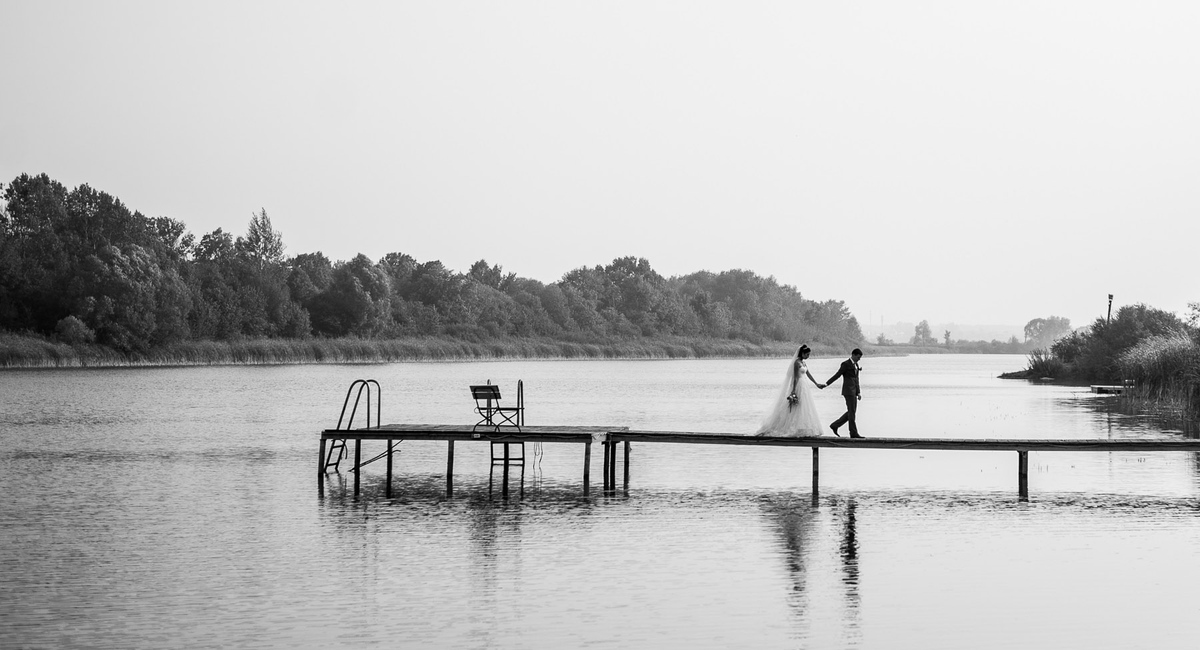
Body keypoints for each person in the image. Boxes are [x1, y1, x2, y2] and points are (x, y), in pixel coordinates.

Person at [756, 345, 826, 437]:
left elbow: (808, 374)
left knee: (805, 406)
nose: (808, 356)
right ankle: (793, 427)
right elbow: (795, 377)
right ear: (803, 353)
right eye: (807, 354)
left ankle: (805, 427)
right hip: (799, 385)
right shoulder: (797, 363)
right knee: (797, 407)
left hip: (805, 385)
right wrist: (793, 390)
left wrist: (816, 384)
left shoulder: (803, 362)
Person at [826, 348, 864, 438]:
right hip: (848, 391)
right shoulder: (845, 364)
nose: (859, 359)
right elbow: (837, 375)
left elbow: (857, 380)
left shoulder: (856, 365)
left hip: (854, 391)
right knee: (852, 412)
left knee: (852, 412)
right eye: (858, 357)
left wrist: (858, 392)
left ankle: (835, 425)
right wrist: (827, 383)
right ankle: (853, 433)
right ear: (853, 355)